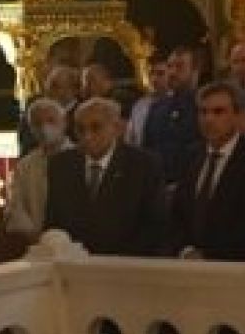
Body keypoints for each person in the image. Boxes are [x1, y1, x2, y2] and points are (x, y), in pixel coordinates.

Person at [45, 97, 168, 255]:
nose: (87, 136)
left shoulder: (143, 165)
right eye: (81, 129)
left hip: (127, 261)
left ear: (116, 128)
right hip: (73, 262)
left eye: (96, 127)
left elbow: (154, 225)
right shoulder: (61, 165)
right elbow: (53, 223)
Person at [170, 82, 245, 260]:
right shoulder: (189, 157)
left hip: (233, 266)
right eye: (203, 112)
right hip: (187, 264)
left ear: (238, 116)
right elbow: (177, 215)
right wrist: (186, 251)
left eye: (218, 112)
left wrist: (208, 257)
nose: (209, 119)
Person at [6, 98, 72, 239]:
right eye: (37, 123)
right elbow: (17, 206)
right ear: (31, 129)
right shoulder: (25, 165)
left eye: (51, 121)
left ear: (64, 122)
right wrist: (34, 235)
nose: (44, 128)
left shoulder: (80, 157)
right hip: (35, 240)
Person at [142, 46, 200, 186]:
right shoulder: (157, 108)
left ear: (194, 71)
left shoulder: (204, 106)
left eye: (179, 67)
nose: (172, 72)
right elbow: (147, 150)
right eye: (170, 66)